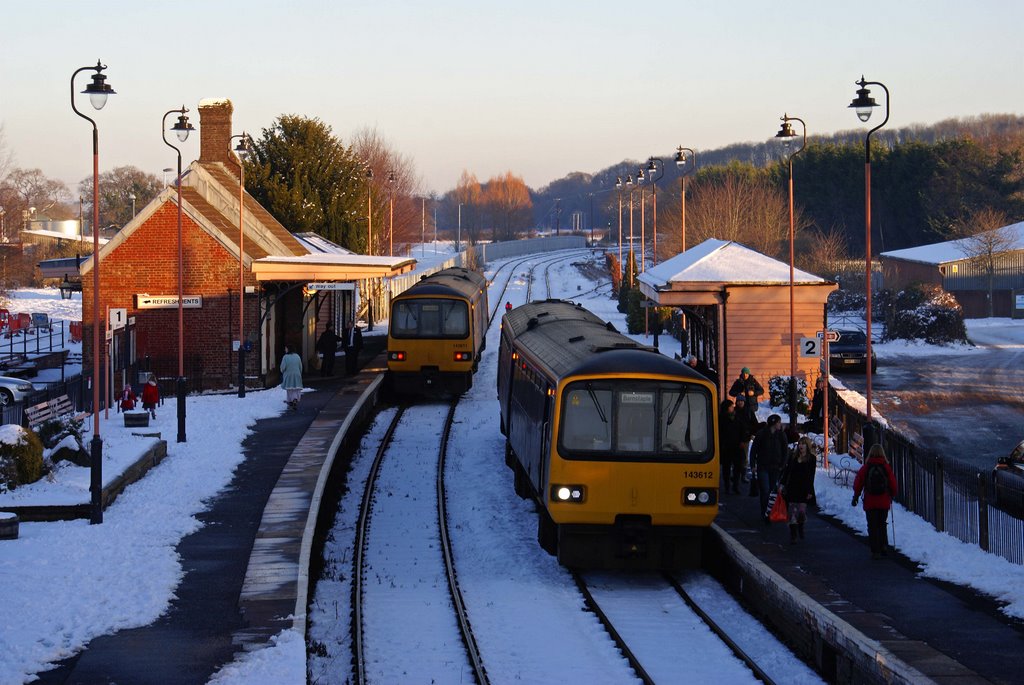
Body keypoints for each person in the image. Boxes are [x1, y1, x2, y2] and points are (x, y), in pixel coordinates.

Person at [852, 443, 899, 559]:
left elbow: (858, 483)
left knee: (872, 525)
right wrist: (892, 494)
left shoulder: (866, 467)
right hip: (883, 501)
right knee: (882, 524)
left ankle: (875, 550)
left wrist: (856, 496)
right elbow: (893, 484)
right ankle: (883, 546)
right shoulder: (886, 467)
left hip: (870, 501)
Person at [750, 414, 789, 523]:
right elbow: (754, 450)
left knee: (772, 490)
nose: (780, 425)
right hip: (763, 466)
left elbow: (785, 451)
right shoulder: (761, 434)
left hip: (776, 467)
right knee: (765, 490)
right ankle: (765, 513)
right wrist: (753, 465)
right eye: (778, 422)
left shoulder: (781, 435)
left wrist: (783, 464)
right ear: (774, 423)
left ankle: (770, 511)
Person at [781, 436, 817, 544]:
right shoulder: (793, 457)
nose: (801, 446)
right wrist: (782, 484)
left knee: (801, 511)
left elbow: (811, 475)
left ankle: (800, 526)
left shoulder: (811, 459)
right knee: (792, 511)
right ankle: (793, 534)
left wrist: (810, 491)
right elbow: (787, 471)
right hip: (792, 487)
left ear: (807, 446)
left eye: (803, 444)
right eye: (800, 444)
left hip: (804, 488)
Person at [718, 399, 745, 494]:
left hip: (737, 446)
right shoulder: (721, 418)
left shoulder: (737, 417)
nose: (733, 407)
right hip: (726, 447)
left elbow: (742, 429)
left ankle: (735, 486)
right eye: (731, 406)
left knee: (738, 467)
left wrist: (742, 441)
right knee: (726, 467)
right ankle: (727, 486)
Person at [734, 395, 757, 483]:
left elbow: (755, 423)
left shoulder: (748, 411)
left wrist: (752, 433)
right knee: (736, 458)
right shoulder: (734, 411)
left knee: (744, 458)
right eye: (738, 401)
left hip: (745, 438)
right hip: (735, 438)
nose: (740, 402)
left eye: (741, 401)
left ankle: (742, 475)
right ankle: (736, 475)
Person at [280, 344, 303, 410]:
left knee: (290, 389)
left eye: (286, 348)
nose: (285, 350)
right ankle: (295, 399)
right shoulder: (297, 356)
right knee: (296, 388)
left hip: (288, 375)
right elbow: (300, 366)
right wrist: (299, 373)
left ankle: (290, 401)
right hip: (297, 374)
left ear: (288, 349)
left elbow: (282, 368)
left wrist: (282, 371)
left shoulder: (285, 357)